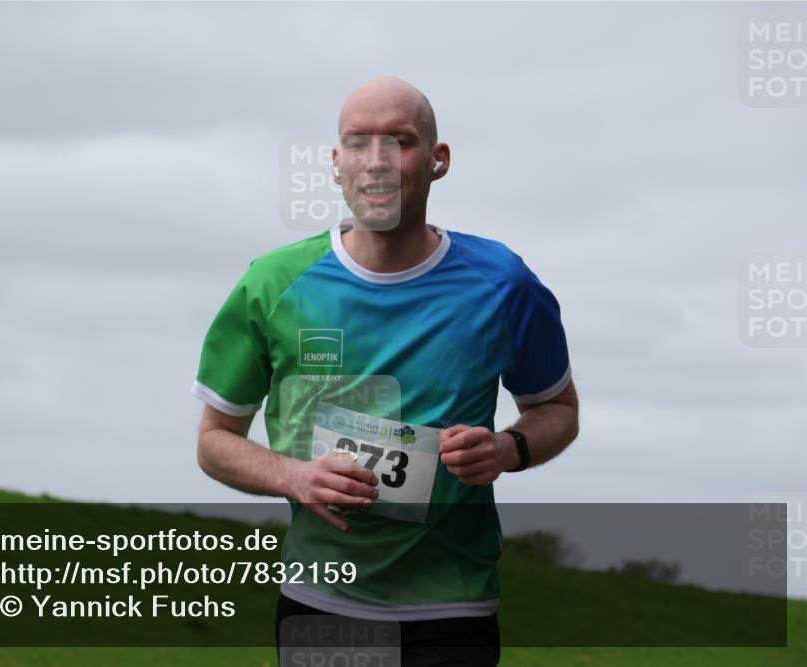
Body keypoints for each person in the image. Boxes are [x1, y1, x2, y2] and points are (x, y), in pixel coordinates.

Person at [191, 76, 579, 666]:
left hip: (454, 603)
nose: (376, 161)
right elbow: (215, 441)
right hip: (322, 601)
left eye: (399, 141)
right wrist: (294, 477)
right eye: (358, 142)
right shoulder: (273, 283)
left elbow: (558, 409)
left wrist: (505, 449)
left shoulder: (503, 283)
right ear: (336, 163)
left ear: (438, 160)